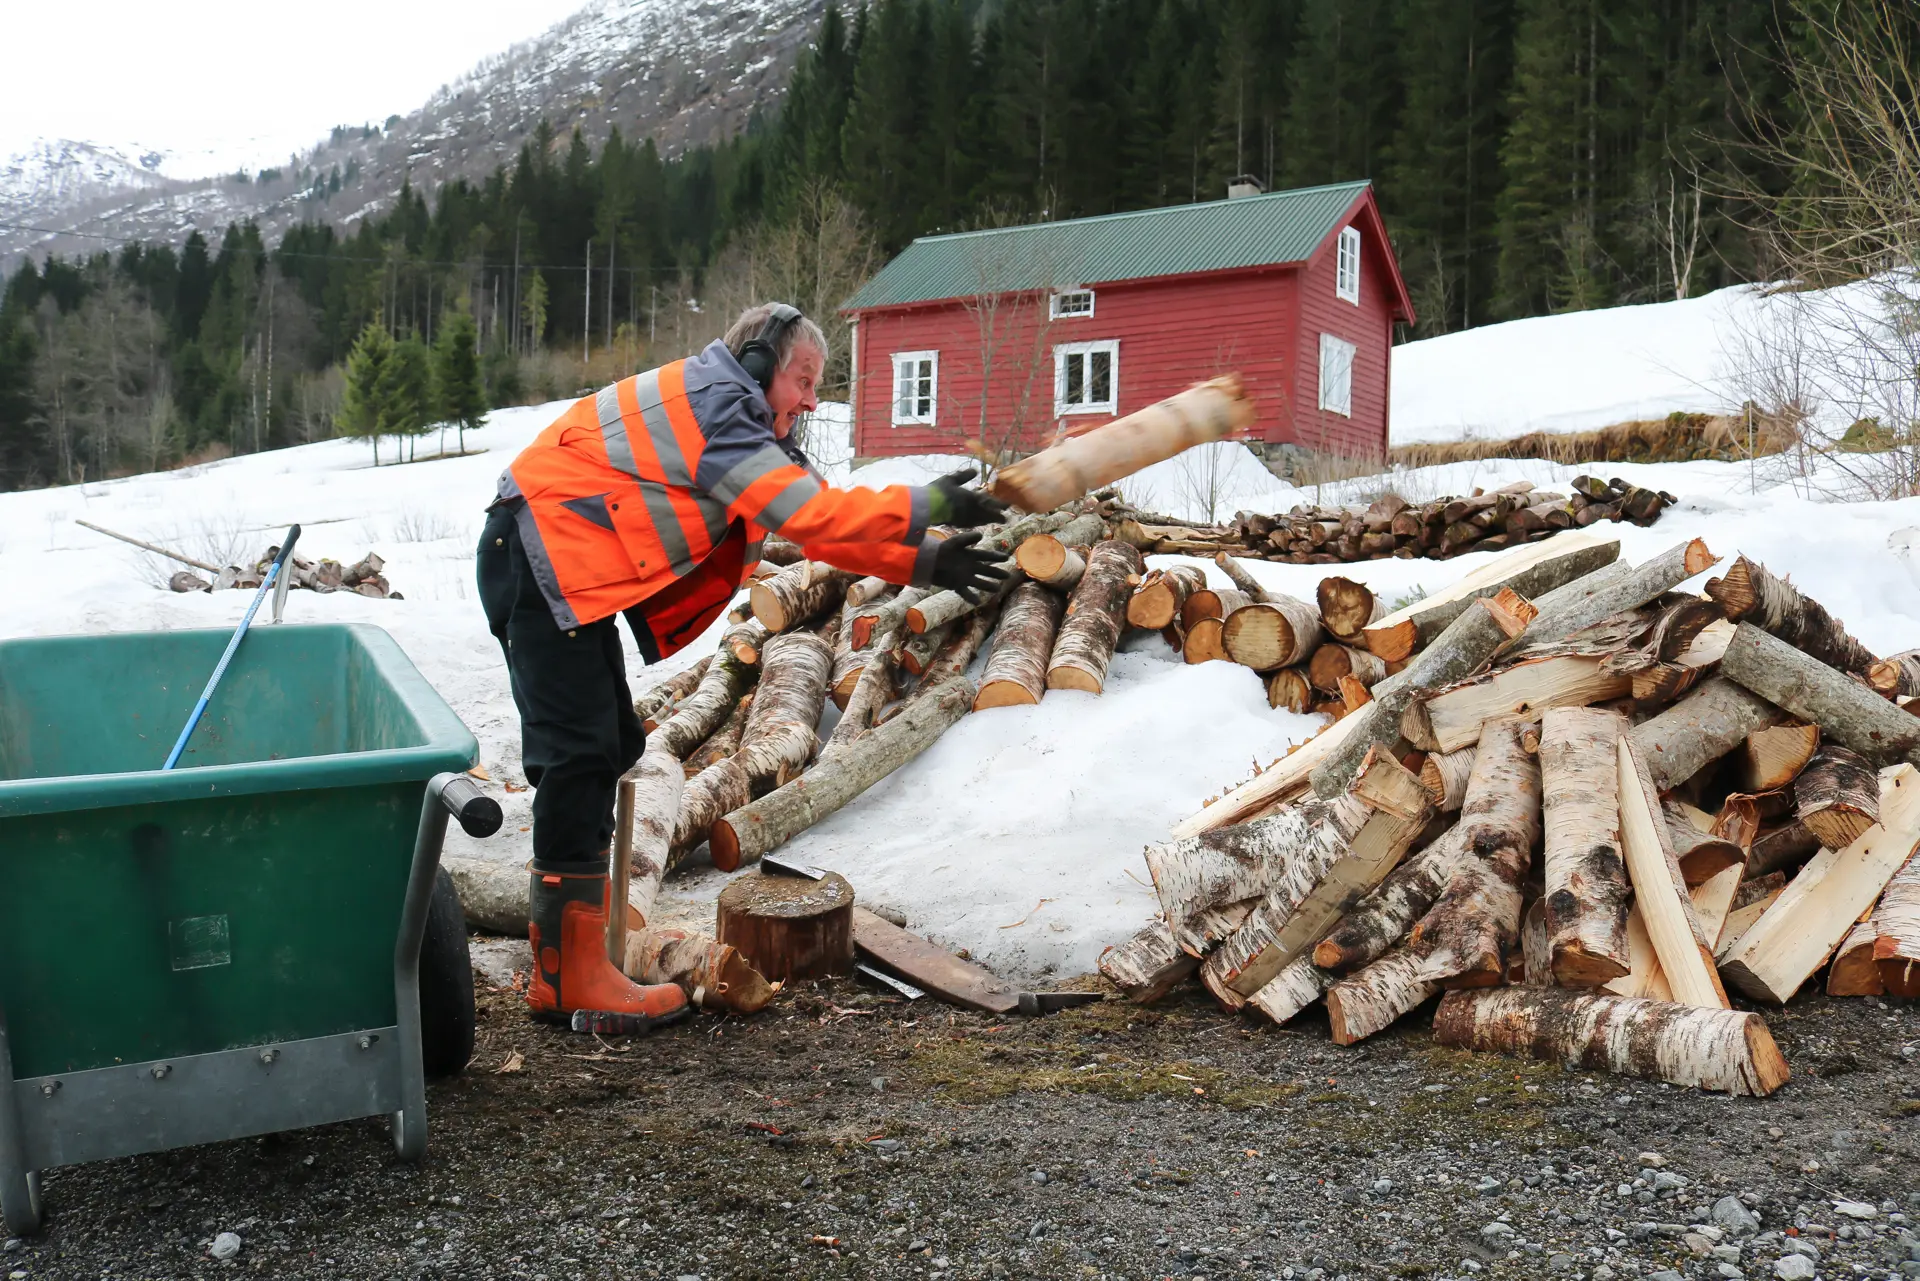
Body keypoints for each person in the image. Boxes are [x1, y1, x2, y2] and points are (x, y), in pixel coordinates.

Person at [477, 302, 1010, 1026]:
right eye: (804, 378)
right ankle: (568, 975)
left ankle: (571, 964)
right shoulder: (715, 409)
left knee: (605, 745)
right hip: (541, 555)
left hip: (561, 567)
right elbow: (811, 517)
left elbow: (815, 515)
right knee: (577, 754)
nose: (813, 399)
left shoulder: (736, 422)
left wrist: (926, 556)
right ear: (758, 362)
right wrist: (930, 502)